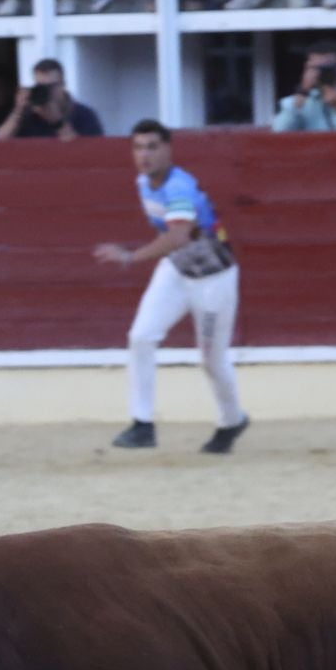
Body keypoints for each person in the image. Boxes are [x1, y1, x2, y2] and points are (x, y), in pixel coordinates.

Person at [94, 120, 248, 455]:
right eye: (138, 147)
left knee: (211, 360)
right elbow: (174, 240)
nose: (144, 155)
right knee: (140, 336)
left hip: (213, 279)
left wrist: (130, 257)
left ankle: (231, 420)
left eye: (152, 146)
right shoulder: (143, 183)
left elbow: (178, 234)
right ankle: (142, 424)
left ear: (168, 150)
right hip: (178, 269)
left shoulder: (179, 186)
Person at [0, 58, 104, 140]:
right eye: (41, 87)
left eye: (51, 87)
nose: (47, 92)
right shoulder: (28, 115)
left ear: (63, 84)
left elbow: (87, 152)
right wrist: (18, 111)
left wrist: (58, 122)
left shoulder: (84, 115)